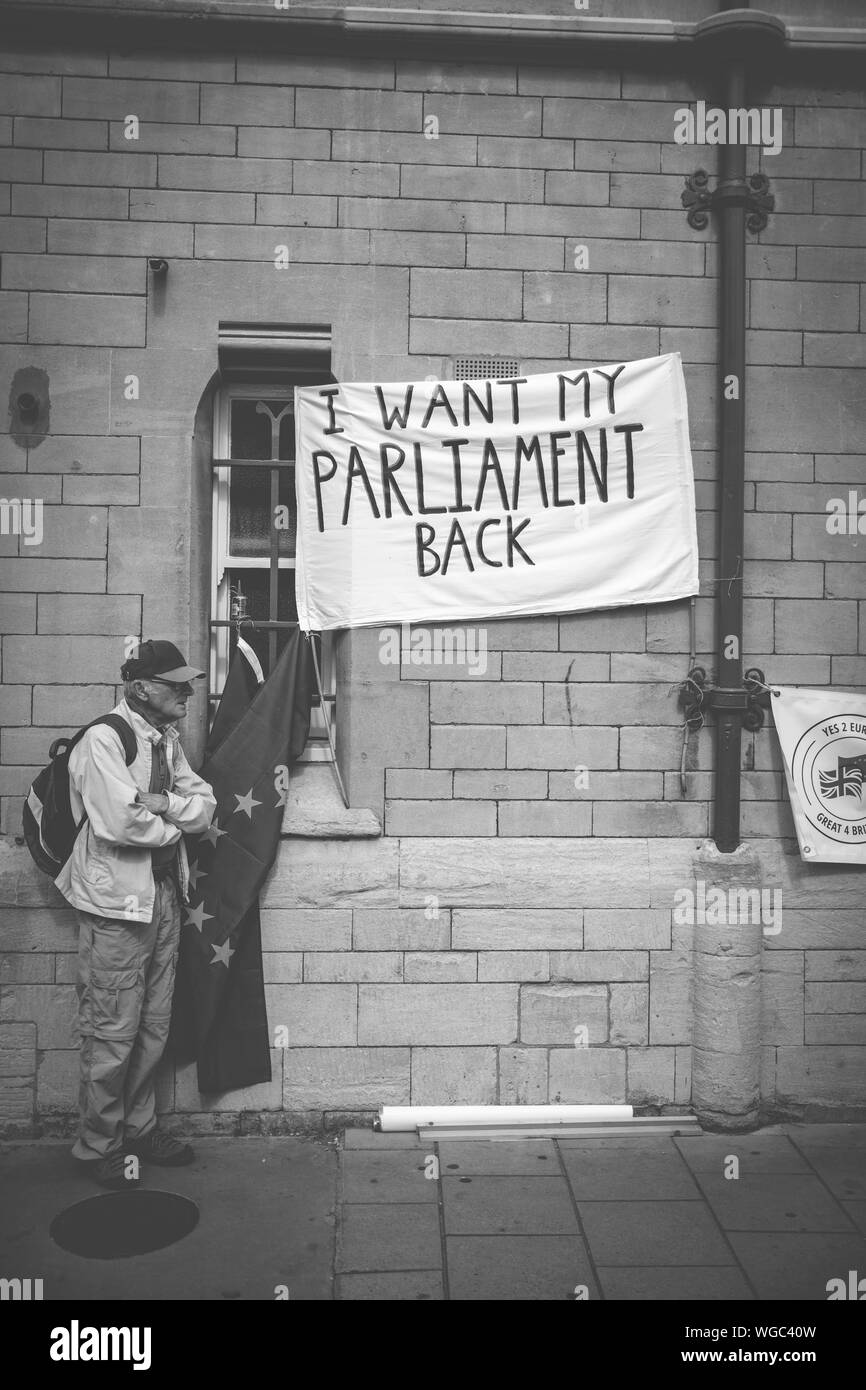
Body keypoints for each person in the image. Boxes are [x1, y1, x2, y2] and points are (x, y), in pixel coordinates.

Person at [55, 640, 217, 1189]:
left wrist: (166, 804)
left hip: (163, 893)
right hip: (117, 905)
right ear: (142, 687)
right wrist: (173, 825)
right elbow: (121, 825)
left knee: (152, 1022)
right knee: (111, 1029)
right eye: (176, 685)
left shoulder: (165, 740)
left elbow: (206, 806)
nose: (188, 693)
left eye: (187, 684)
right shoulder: (105, 738)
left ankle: (139, 1129)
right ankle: (99, 1142)